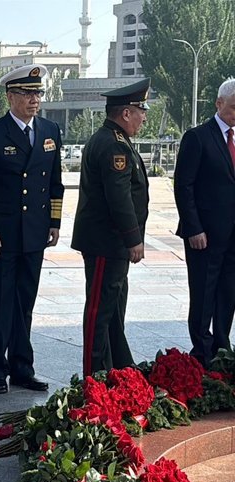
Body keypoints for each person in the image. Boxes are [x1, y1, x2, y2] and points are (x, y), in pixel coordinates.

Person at [0, 64, 64, 395]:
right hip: (2, 236)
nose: (34, 100)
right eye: (27, 94)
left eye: (38, 93)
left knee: (25, 302)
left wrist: (54, 222)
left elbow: (55, 182)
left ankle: (23, 366)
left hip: (35, 233)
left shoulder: (50, 130)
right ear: (11, 96)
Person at [72, 78, 151, 376]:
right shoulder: (112, 145)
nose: (144, 116)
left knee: (114, 309)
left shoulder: (114, 139)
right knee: (100, 310)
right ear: (126, 113)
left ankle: (118, 368)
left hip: (111, 243)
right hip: (107, 241)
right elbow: (119, 197)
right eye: (140, 109)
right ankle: (94, 375)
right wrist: (133, 239)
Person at [174, 78, 235, 367]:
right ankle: (202, 348)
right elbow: (183, 186)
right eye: (233, 108)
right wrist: (193, 227)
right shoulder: (198, 137)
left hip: (233, 235)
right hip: (205, 234)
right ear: (218, 104)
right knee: (203, 291)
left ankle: (222, 345)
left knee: (228, 291)